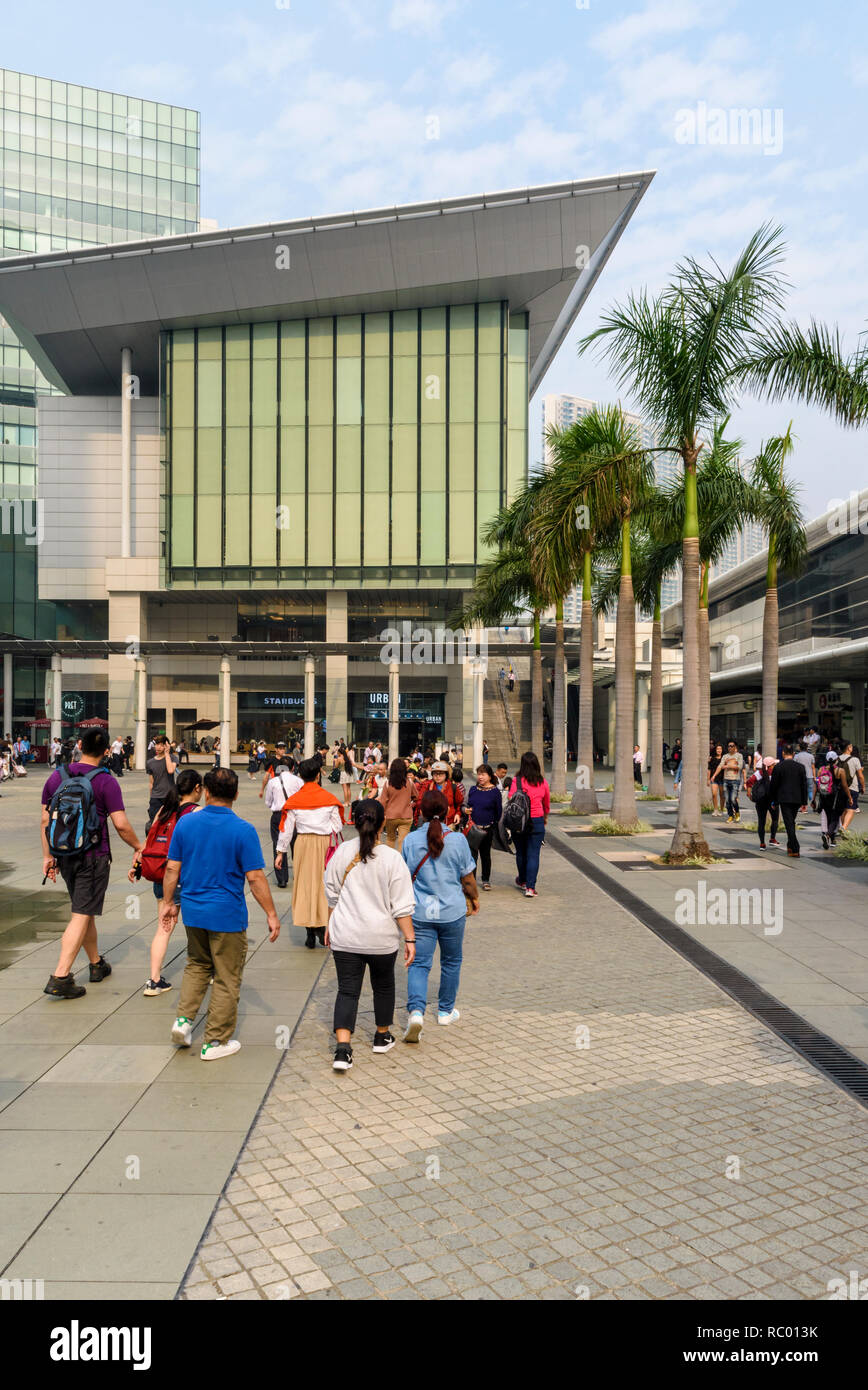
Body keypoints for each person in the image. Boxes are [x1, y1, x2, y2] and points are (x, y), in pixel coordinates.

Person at [162, 767, 280, 1061]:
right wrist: (271, 914)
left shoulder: (186, 823)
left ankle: (183, 1021)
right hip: (226, 914)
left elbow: (172, 868)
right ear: (237, 794)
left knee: (196, 965)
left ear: (207, 791)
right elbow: (255, 878)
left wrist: (168, 902)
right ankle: (214, 1041)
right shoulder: (243, 830)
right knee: (227, 977)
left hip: (192, 910)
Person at [41, 728, 143, 999]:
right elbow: (120, 824)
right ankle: (61, 976)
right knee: (81, 914)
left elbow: (44, 820)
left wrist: (47, 856)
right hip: (93, 856)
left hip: (64, 854)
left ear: (80, 746)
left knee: (82, 908)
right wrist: (138, 846)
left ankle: (96, 964)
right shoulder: (106, 780)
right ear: (106, 751)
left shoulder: (57, 776)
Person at [324, 799, 416, 1072]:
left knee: (347, 990)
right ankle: (381, 1035)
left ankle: (342, 1050)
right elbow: (401, 906)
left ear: (353, 820)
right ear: (383, 824)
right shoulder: (391, 858)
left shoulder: (341, 852)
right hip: (381, 938)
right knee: (384, 986)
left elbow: (332, 894)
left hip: (346, 935)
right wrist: (410, 939)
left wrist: (330, 925)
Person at [402, 789, 479, 1042]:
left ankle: (416, 1013)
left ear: (421, 812)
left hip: (421, 911)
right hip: (451, 911)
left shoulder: (411, 841)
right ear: (448, 812)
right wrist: (474, 898)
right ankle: (445, 1011)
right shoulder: (457, 840)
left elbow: (403, 878)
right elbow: (467, 878)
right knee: (451, 962)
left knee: (420, 964)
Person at [131, 767, 203, 994]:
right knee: (198, 928)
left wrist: (137, 864)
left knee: (163, 928)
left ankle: (154, 981)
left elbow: (150, 841)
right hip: (187, 877)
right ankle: (205, 972)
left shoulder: (164, 809)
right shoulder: (197, 812)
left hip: (162, 876)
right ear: (197, 789)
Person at [275, 757, 344, 948]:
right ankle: (322, 927)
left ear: (301, 775)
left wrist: (280, 852)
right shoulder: (329, 799)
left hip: (303, 843)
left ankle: (309, 932)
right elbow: (337, 827)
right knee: (324, 884)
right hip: (323, 843)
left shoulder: (294, 801)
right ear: (317, 775)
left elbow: (287, 830)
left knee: (304, 885)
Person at [509, 750, 550, 899]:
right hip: (537, 820)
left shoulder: (516, 780)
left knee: (521, 852)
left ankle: (522, 880)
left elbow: (510, 798)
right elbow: (546, 804)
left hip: (520, 821)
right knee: (533, 854)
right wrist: (544, 817)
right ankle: (530, 888)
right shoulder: (542, 782)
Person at [263, 755, 302, 889]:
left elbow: (268, 802)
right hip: (296, 815)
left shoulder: (273, 782)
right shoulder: (298, 781)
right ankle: (299, 874)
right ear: (292, 767)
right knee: (296, 846)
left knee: (278, 845)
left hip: (278, 815)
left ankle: (282, 879)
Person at [465, 764, 502, 891]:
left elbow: (499, 812)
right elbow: (468, 804)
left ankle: (486, 879)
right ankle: (472, 880)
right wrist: (466, 810)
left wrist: (493, 825)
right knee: (472, 856)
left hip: (487, 829)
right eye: (479, 774)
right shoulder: (473, 789)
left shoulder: (495, 792)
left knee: (485, 855)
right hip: (473, 829)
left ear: (490, 776)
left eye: (483, 774)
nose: (480, 777)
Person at [769, 744, 808, 858]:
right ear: (794, 754)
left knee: (789, 823)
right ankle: (790, 845)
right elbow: (804, 785)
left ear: (783, 753)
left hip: (784, 799)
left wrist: (773, 801)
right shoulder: (800, 767)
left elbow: (774, 786)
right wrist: (804, 802)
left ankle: (795, 847)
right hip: (797, 799)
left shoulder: (778, 767)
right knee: (791, 822)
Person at [379, 757, 416, 850]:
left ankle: (390, 861)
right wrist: (410, 803)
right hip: (406, 816)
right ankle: (401, 861)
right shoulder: (410, 782)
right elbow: (416, 796)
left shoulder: (387, 783)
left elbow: (383, 801)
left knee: (390, 839)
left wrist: (382, 815)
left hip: (391, 816)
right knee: (402, 841)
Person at [413, 759, 464, 827]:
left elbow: (459, 803)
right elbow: (419, 802)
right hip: (430, 824)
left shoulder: (453, 787)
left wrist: (458, 814)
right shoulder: (427, 786)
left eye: (441, 773)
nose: (438, 776)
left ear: (446, 775)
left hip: (449, 823)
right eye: (435, 773)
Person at [817, 750, 849, 850]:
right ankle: (827, 835)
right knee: (835, 818)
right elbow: (844, 785)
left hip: (824, 797)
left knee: (829, 817)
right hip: (836, 797)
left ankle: (832, 840)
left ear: (826, 759)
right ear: (836, 759)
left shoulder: (821, 770)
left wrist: (814, 799)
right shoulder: (840, 771)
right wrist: (850, 797)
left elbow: (816, 785)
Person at [746, 756, 780, 849]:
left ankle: (762, 844)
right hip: (772, 801)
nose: (775, 765)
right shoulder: (775, 773)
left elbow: (749, 782)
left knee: (761, 822)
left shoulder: (759, 773)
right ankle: (772, 839)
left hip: (760, 801)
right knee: (775, 819)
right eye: (774, 764)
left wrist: (749, 795)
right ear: (771, 766)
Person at [146, 735, 178, 830]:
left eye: (161, 745)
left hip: (170, 797)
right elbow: (151, 783)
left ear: (166, 746)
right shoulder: (150, 762)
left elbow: (171, 770)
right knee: (154, 825)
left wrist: (167, 754)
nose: (158, 747)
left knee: (171, 824)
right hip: (156, 798)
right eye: (157, 745)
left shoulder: (173, 758)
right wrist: (151, 797)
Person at [711, 740, 745, 823]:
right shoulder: (725, 756)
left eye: (732, 746)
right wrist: (714, 775)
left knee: (733, 799)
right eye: (729, 746)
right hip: (726, 780)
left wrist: (727, 766)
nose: (730, 747)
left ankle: (737, 813)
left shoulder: (739, 756)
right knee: (727, 800)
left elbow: (739, 766)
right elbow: (720, 766)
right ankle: (730, 816)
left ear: (735, 747)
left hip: (735, 780)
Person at [839, 741, 865, 832]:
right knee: (850, 809)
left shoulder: (837, 759)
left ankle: (842, 827)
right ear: (848, 748)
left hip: (840, 788)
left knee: (843, 810)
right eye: (850, 746)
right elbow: (860, 776)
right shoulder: (855, 760)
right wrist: (863, 786)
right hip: (852, 787)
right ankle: (843, 828)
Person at [794, 741, 816, 810]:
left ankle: (802, 806)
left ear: (800, 748)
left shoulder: (796, 756)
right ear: (807, 748)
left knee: (801, 791)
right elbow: (813, 767)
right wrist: (814, 776)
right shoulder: (811, 756)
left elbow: (795, 767)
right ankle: (812, 803)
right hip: (809, 775)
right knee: (810, 790)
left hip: (799, 776)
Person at [708, 743, 724, 815]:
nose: (719, 750)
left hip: (722, 779)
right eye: (717, 749)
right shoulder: (712, 759)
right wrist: (708, 779)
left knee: (722, 795)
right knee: (714, 794)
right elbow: (709, 769)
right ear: (715, 750)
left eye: (720, 749)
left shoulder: (724, 758)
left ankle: (721, 810)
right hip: (713, 779)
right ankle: (715, 810)